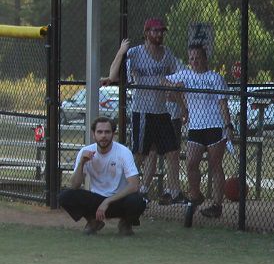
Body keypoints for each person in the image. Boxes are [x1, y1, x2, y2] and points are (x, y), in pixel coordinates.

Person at [164, 43, 234, 219]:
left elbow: (222, 103)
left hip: (215, 125)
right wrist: (176, 87)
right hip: (195, 126)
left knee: (215, 165)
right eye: (192, 58)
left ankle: (217, 205)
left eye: (198, 58)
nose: (194, 61)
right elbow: (163, 81)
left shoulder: (214, 78)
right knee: (191, 163)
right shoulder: (185, 74)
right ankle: (196, 195)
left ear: (205, 59)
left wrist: (228, 125)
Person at [126, 17, 184, 205]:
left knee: (172, 151)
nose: (159, 34)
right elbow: (125, 75)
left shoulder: (167, 54)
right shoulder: (135, 53)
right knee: (140, 154)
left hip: (162, 111)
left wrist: (177, 85)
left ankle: (174, 192)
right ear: (146, 33)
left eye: (161, 31)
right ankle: (128, 190)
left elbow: (179, 74)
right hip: (142, 111)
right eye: (155, 31)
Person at [58, 116, 147, 236]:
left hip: (118, 200)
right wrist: (82, 163)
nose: (103, 136)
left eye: (107, 132)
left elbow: (134, 185)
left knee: (138, 201)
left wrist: (107, 201)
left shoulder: (124, 152)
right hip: (96, 201)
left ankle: (126, 223)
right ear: (93, 134)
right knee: (65, 196)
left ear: (113, 134)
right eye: (99, 132)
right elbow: (74, 185)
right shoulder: (85, 152)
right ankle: (93, 221)